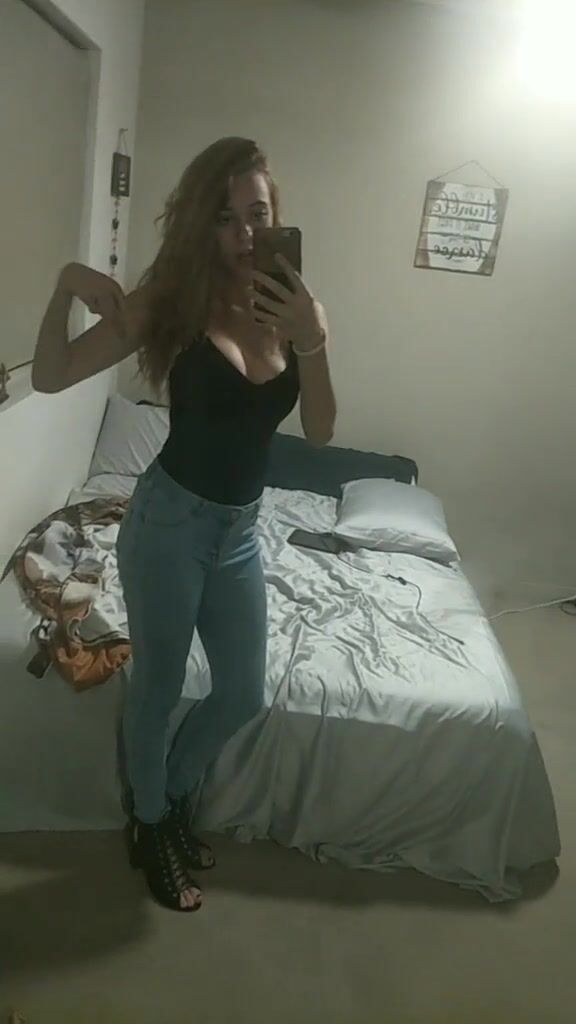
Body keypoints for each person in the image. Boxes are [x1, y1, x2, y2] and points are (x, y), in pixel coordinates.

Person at [32, 137, 336, 913]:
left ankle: (163, 799)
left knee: (241, 694)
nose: (243, 234)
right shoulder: (173, 300)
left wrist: (313, 336)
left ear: (275, 216)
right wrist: (66, 283)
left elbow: (322, 431)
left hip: (240, 532)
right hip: (168, 523)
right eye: (225, 218)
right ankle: (152, 821)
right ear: (203, 224)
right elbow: (51, 375)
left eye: (256, 215)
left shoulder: (295, 309)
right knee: (159, 690)